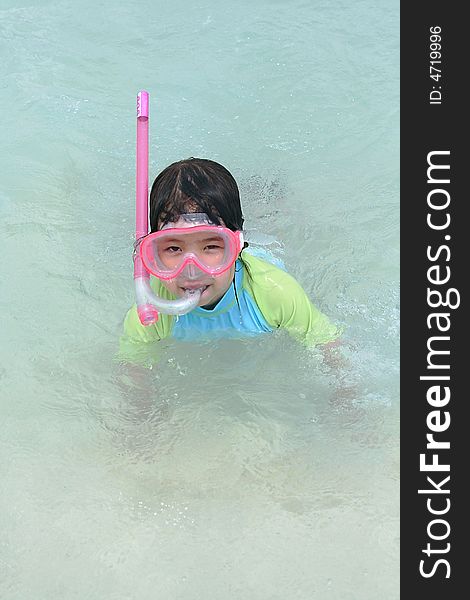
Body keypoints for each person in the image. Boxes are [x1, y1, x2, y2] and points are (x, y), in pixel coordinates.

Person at [121, 157, 342, 352]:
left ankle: (270, 197)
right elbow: (131, 365)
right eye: (173, 249)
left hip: (264, 254)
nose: (191, 268)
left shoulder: (273, 292)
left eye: (210, 247)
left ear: (236, 246)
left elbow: (329, 345)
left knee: (273, 226)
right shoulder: (152, 308)